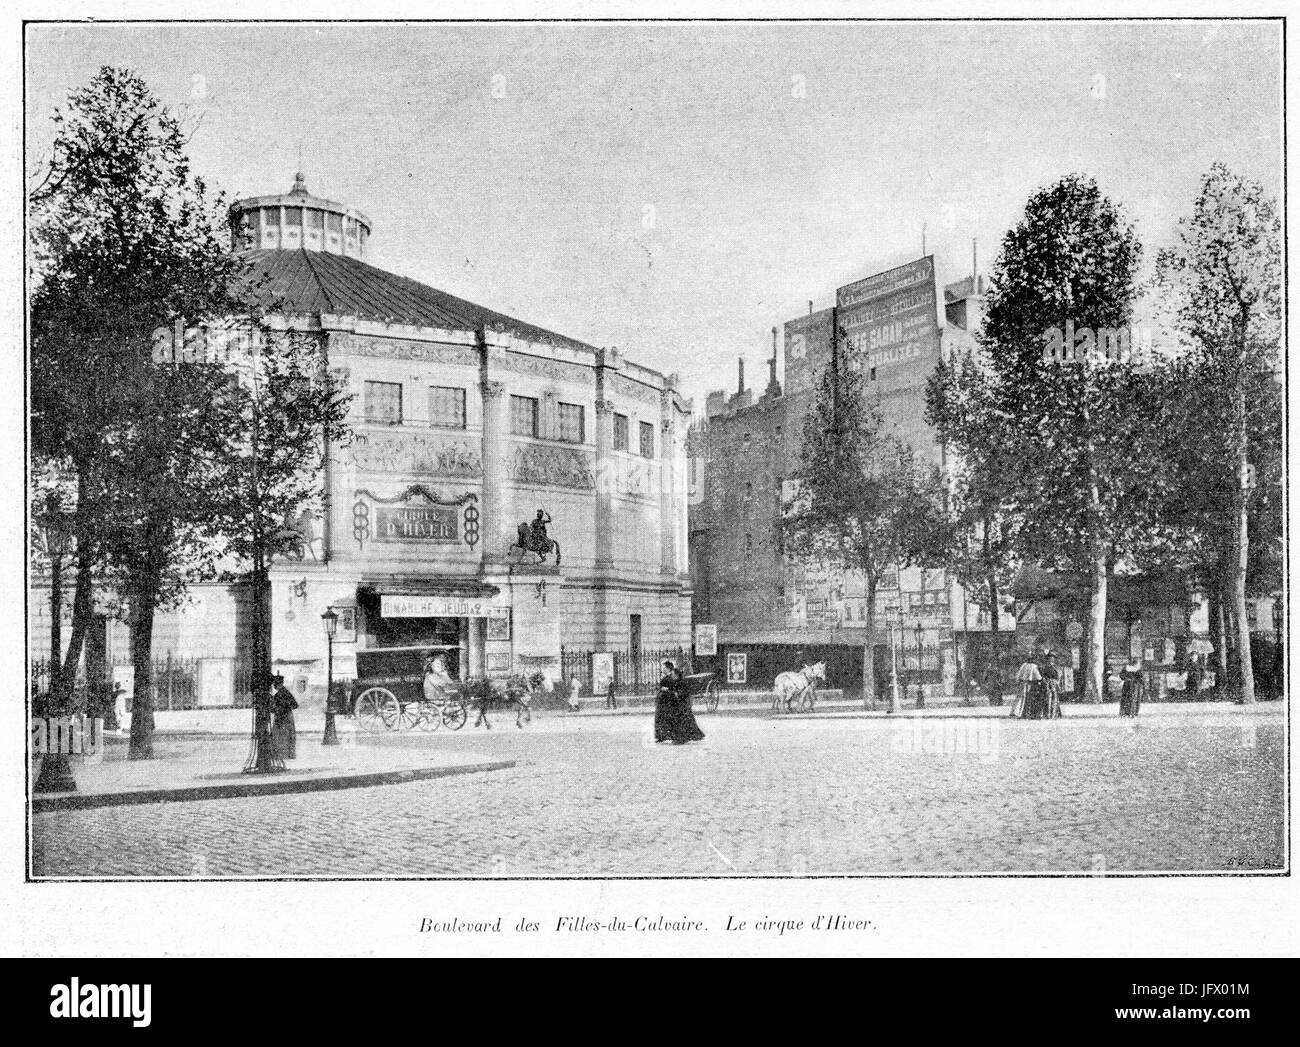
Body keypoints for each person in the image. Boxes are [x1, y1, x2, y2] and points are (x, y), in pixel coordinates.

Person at [656, 660, 705, 745]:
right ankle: (670, 737)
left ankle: (681, 738)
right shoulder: (672, 680)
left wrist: (670, 691)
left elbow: (681, 692)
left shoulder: (679, 680)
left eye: (664, 668)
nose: (673, 676)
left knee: (681, 721)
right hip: (674, 704)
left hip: (680, 704)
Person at [270, 674, 298, 760]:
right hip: (287, 716)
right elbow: (295, 705)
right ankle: (288, 754)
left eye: (275, 684)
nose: (274, 686)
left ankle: (280, 755)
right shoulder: (286, 692)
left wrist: (281, 708)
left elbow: (274, 708)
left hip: (282, 718)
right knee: (288, 736)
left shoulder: (279, 695)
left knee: (279, 736)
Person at [1042, 651, 1063, 720]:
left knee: (1055, 699)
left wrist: (1058, 683)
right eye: (1050, 657)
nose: (1052, 659)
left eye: (1053, 658)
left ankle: (1054, 715)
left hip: (1054, 683)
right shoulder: (1046, 667)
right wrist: (1046, 682)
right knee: (1048, 699)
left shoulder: (1056, 667)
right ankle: (1047, 714)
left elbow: (1059, 676)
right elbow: (1043, 675)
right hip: (1048, 683)